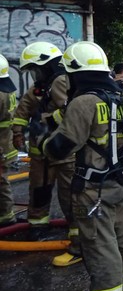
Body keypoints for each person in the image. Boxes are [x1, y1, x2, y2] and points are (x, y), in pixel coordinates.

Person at [42, 41, 123, 291]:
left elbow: (61, 147)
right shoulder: (122, 96)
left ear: (75, 73)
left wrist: (44, 142)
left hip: (95, 190)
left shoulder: (84, 102)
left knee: (100, 246)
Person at [13, 41, 81, 266]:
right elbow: (22, 110)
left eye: (36, 69)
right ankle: (37, 225)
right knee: (39, 190)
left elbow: (69, 110)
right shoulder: (39, 88)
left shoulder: (62, 82)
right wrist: (18, 132)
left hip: (63, 151)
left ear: (47, 65)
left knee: (69, 194)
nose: (35, 74)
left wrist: (47, 121)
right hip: (41, 153)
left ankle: (76, 235)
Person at [0, 54, 17, 227]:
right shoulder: (7, 90)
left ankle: (5, 216)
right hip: (6, 143)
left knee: (1, 182)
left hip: (1, 145)